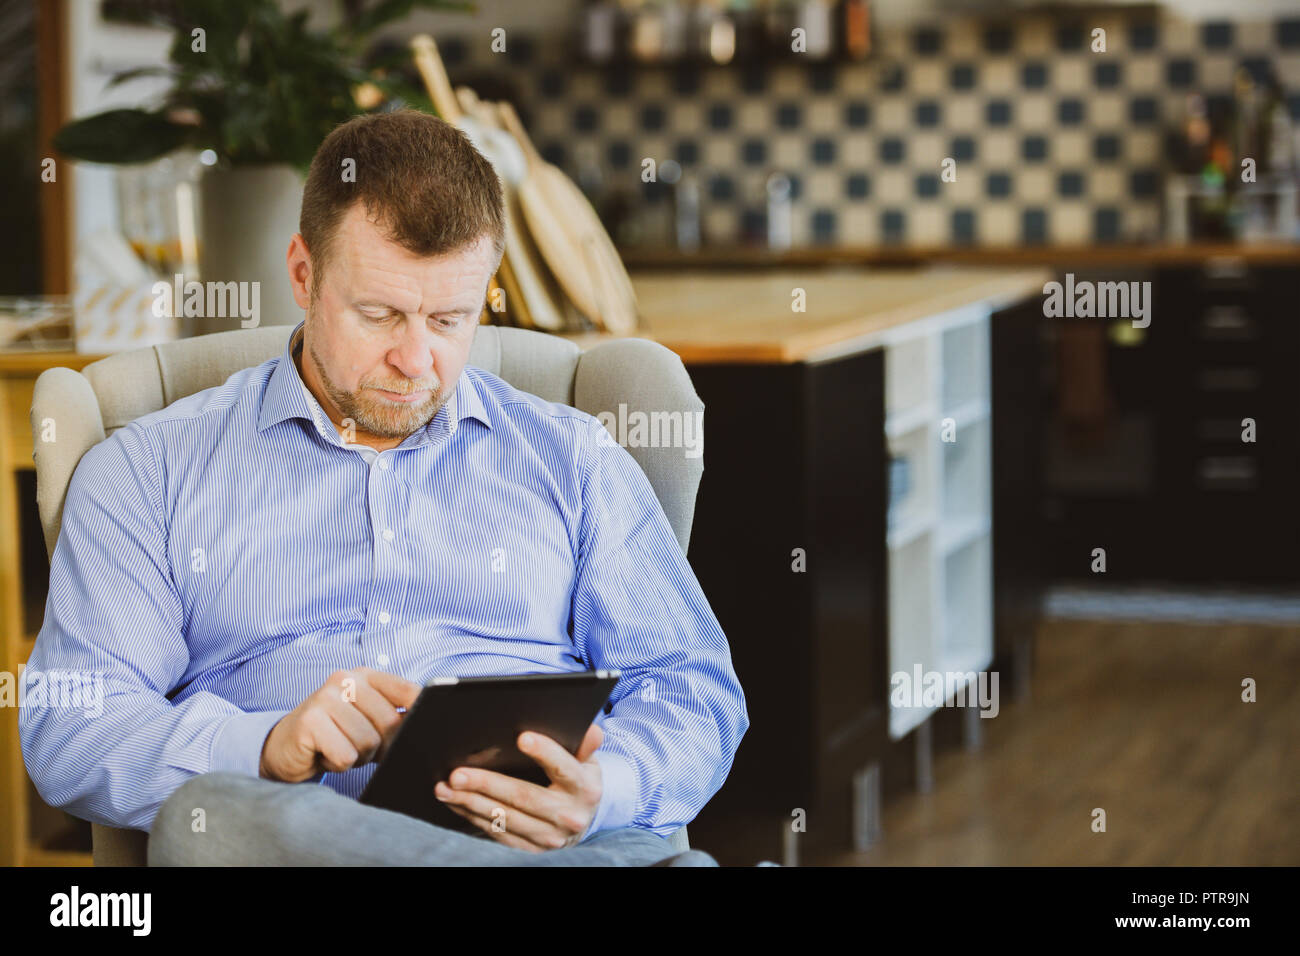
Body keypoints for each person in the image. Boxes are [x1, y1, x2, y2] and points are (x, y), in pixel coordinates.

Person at [20, 109, 748, 866]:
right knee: (218, 812)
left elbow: (692, 687)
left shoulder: (573, 460)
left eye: (449, 319)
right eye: (380, 314)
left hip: (550, 846)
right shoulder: (149, 472)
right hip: (295, 844)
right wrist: (264, 745)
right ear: (303, 275)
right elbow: (73, 725)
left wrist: (605, 788)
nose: (416, 359)